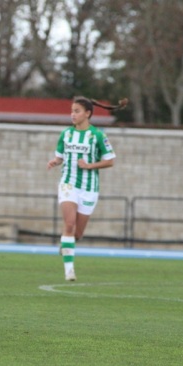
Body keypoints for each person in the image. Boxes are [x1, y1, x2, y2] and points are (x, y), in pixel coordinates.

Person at [47, 96, 127, 281]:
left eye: (77, 111)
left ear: (88, 114)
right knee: (69, 224)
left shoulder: (98, 136)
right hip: (68, 184)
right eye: (72, 111)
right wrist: (55, 161)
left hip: (89, 188)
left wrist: (89, 166)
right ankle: (69, 271)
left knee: (78, 233)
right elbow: (60, 156)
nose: (72, 115)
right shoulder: (66, 134)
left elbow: (110, 161)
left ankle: (66, 245)